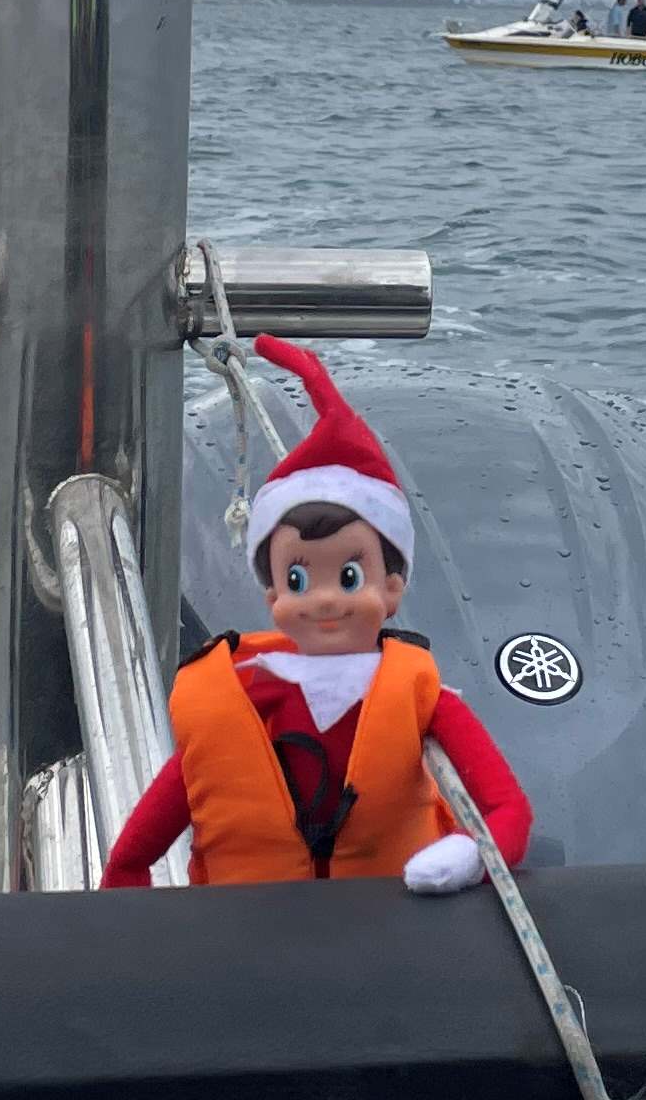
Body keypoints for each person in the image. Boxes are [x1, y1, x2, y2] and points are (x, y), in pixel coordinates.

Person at [102, 337, 530, 891]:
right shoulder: (242, 697)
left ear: (393, 588)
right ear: (273, 597)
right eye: (299, 580)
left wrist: (464, 860)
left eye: (349, 577)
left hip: (390, 921)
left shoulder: (421, 700)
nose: (325, 599)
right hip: (248, 928)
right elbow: (135, 853)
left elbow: (508, 811)